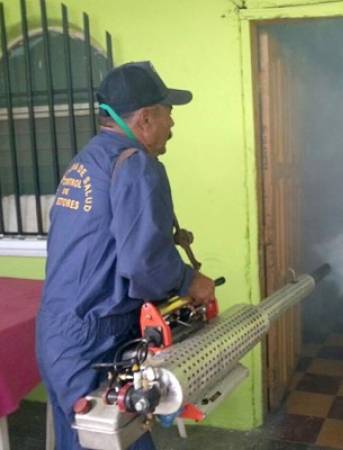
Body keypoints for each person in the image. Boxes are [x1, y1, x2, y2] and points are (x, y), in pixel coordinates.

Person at [35, 61, 215, 450]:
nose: (173, 124)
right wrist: (190, 281)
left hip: (60, 330)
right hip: (96, 338)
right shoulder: (136, 166)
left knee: (83, 440)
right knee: (117, 441)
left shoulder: (88, 160)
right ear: (147, 118)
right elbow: (143, 265)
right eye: (169, 113)